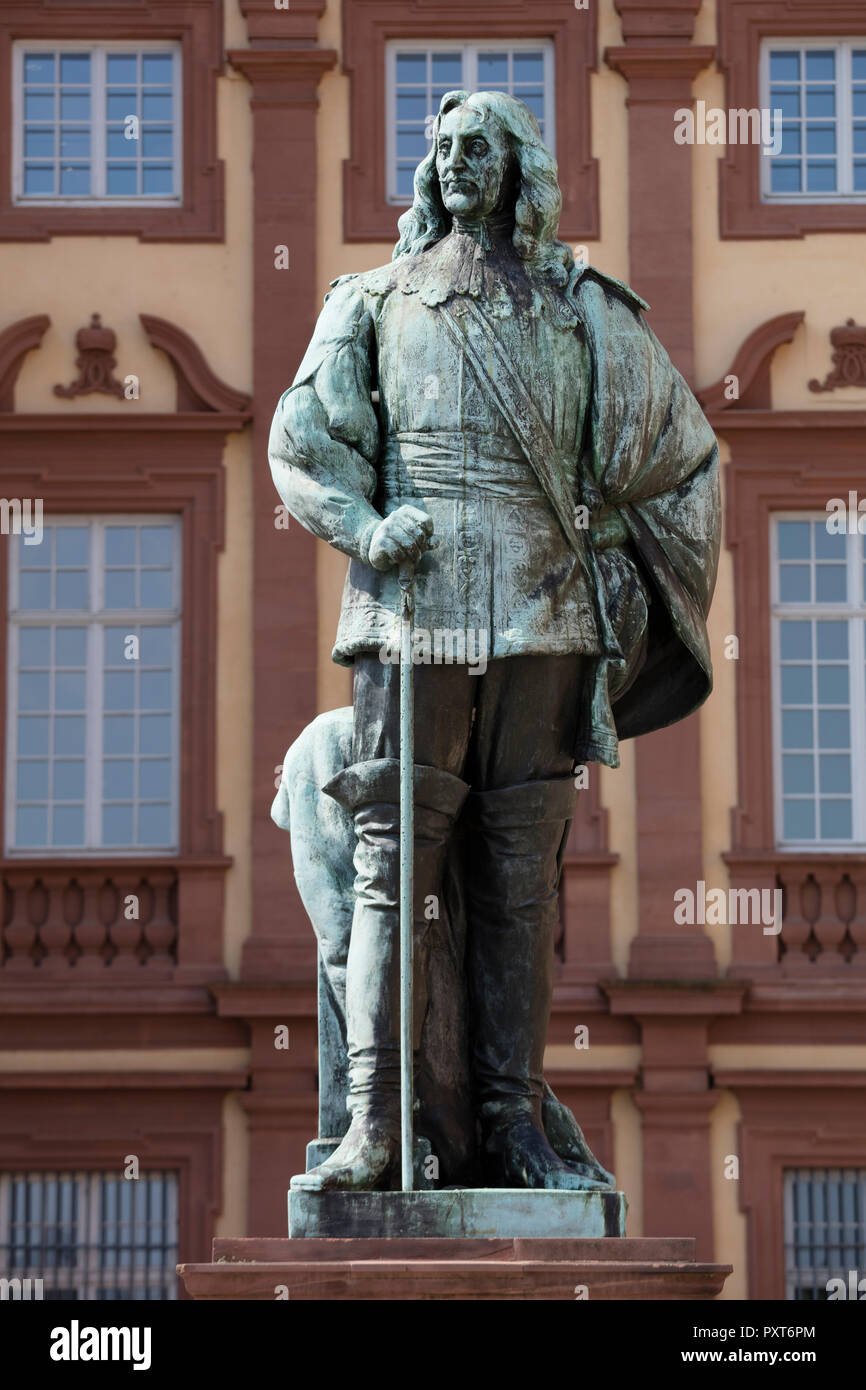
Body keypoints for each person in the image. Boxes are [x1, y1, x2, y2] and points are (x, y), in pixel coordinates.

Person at [269, 90, 720, 1191]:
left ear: (521, 169)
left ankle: (512, 1127)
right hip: (409, 612)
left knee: (520, 882)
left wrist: (611, 559)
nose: (453, 161)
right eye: (440, 146)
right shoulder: (370, 301)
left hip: (543, 613)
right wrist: (368, 525)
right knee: (388, 873)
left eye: (479, 146)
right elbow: (302, 445)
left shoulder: (583, 309)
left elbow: (680, 455)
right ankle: (377, 1123)